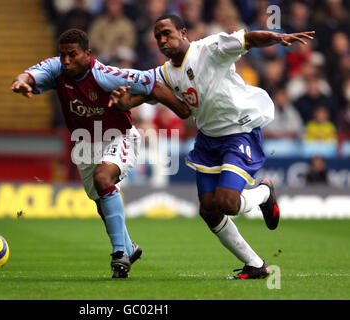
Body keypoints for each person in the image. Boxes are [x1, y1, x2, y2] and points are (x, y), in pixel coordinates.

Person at [111, 14, 314, 280]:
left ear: (183, 32)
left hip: (239, 132)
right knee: (208, 209)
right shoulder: (164, 73)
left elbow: (248, 38)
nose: (162, 40)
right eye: (157, 36)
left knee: (227, 202)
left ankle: (264, 192)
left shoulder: (209, 49)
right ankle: (256, 265)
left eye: (167, 33)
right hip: (208, 139)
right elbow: (145, 90)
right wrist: (124, 101)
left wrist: (277, 37)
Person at [11, 28, 190, 278]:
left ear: (88, 54)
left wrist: (182, 110)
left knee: (103, 178)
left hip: (120, 136)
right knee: (100, 201)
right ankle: (129, 247)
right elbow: (29, 74)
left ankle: (119, 254)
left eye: (72, 55)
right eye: (63, 55)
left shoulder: (106, 75)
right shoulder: (56, 69)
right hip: (84, 144)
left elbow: (153, 84)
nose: (66, 60)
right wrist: (22, 82)